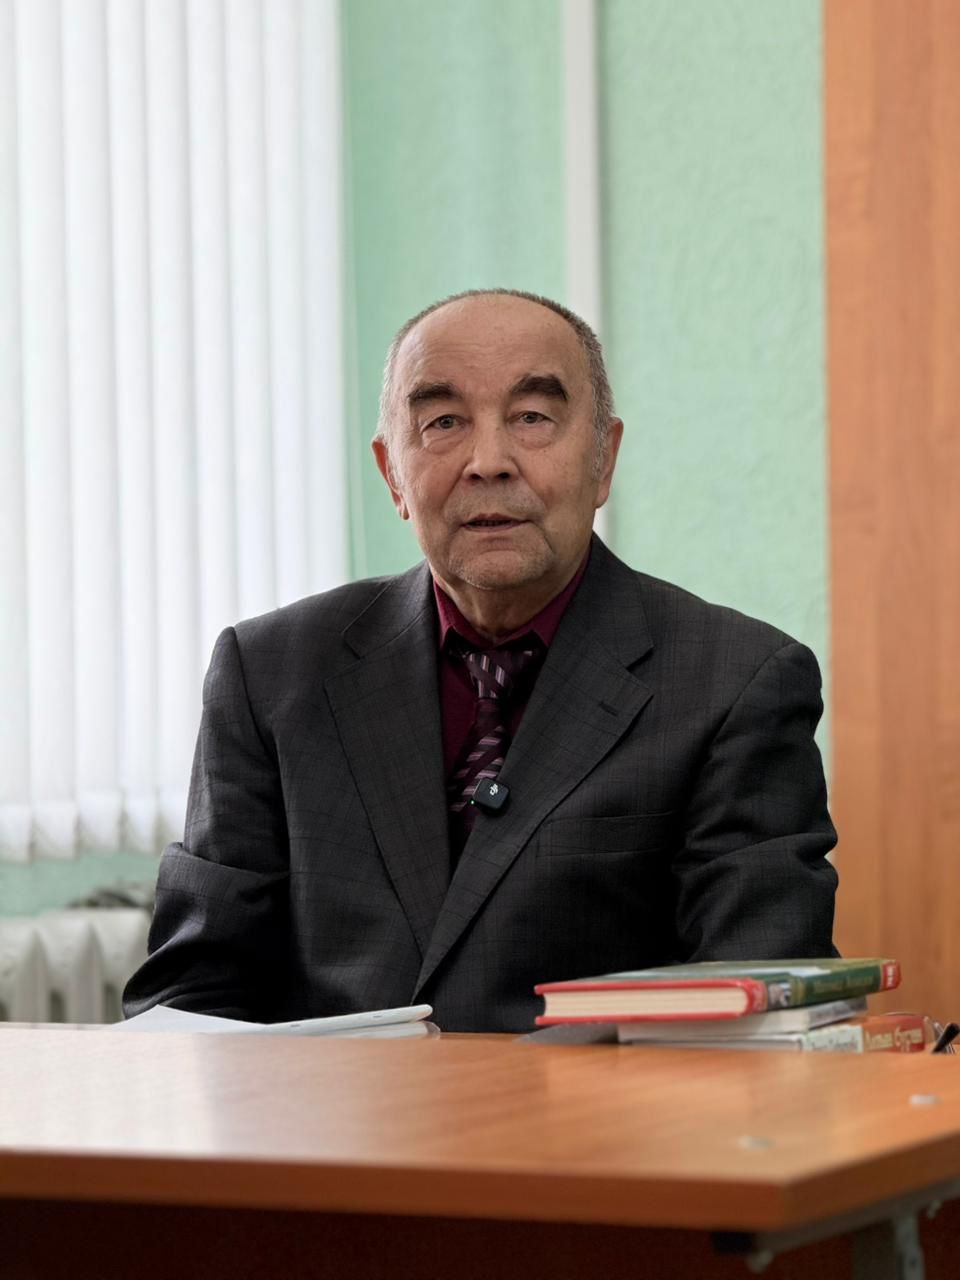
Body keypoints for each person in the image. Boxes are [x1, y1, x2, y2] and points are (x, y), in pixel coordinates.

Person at [123, 288, 837, 1032]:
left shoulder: (734, 683)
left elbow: (757, 1018)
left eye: (532, 418)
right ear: (392, 474)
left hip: (598, 1109)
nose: (488, 463)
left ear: (604, 460)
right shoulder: (270, 674)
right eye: (443, 422)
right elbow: (189, 1000)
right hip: (334, 1108)